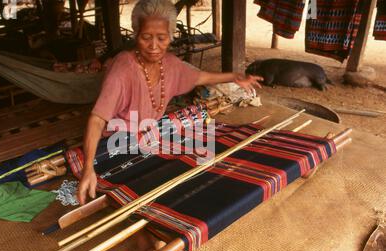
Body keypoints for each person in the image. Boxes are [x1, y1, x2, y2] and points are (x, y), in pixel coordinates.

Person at [77, 0, 263, 205]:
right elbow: (97, 119)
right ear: (136, 34)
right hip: (116, 145)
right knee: (147, 194)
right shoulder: (122, 69)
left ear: (170, 36)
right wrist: (88, 168)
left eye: (161, 38)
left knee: (202, 170)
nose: (154, 46)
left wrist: (235, 76)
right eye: (146, 37)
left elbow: (201, 77)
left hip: (148, 137)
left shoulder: (170, 65)